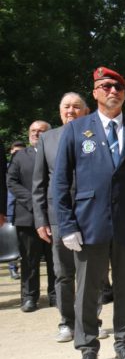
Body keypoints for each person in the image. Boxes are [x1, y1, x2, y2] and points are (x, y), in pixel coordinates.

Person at [53, 66, 125, 359]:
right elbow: (60, 182)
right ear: (96, 92)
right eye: (107, 86)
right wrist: (67, 225)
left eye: (119, 88)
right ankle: (88, 347)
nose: (113, 91)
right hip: (89, 225)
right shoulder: (77, 130)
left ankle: (124, 345)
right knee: (88, 290)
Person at [32, 92, 90, 341]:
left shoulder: (94, 134)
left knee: (91, 271)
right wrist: (41, 220)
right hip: (58, 216)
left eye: (77, 107)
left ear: (85, 111)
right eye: (66, 106)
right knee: (63, 272)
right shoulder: (48, 138)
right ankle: (67, 321)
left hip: (90, 214)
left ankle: (90, 319)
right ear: (59, 111)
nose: (71, 111)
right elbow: (38, 183)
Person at [8, 120, 54, 313]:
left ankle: (56, 295)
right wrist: (34, 202)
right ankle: (29, 297)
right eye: (33, 131)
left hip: (53, 215)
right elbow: (11, 181)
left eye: (41, 131)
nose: (36, 134)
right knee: (29, 259)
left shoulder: (56, 154)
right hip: (27, 217)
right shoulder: (20, 156)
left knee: (55, 260)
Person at [6, 141, 22, 280]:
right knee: (11, 242)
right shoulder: (4, 168)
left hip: (22, 211)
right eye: (15, 151)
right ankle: (13, 268)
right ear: (11, 151)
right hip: (7, 211)